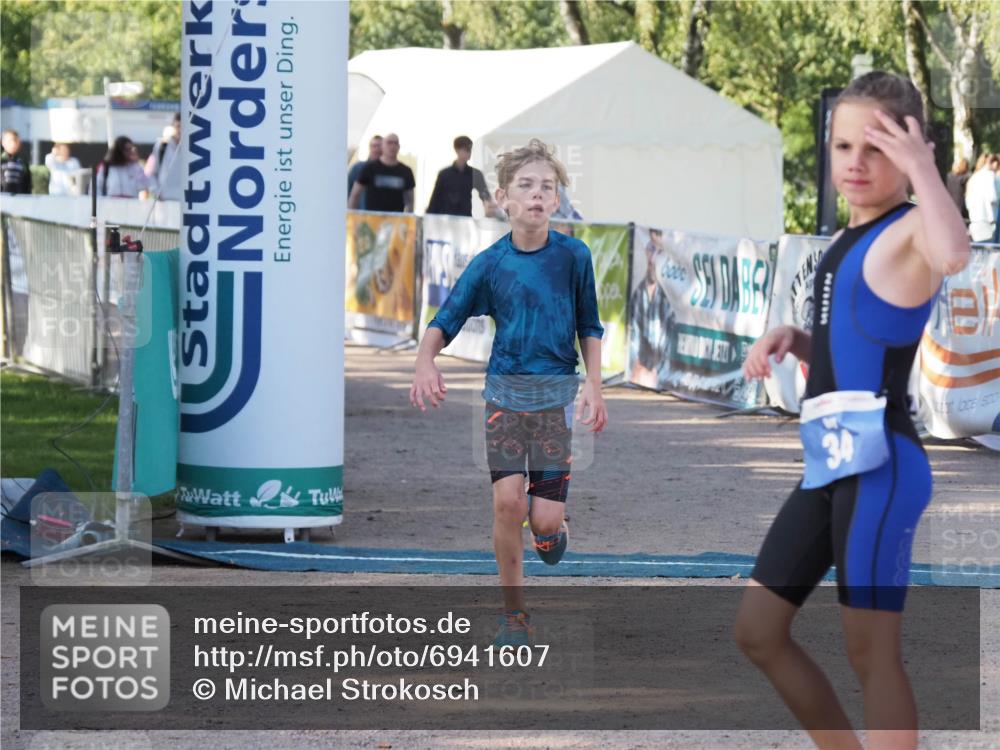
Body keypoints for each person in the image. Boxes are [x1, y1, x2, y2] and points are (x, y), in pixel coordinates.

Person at [737, 72, 969, 750]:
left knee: (871, 654)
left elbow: (954, 252)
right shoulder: (849, 237)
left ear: (911, 151)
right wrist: (797, 340)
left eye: (878, 149)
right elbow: (864, 340)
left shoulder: (911, 231)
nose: (856, 165)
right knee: (758, 630)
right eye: (843, 148)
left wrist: (925, 165)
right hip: (833, 462)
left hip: (882, 467)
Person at [409, 139, 607, 646]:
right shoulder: (490, 263)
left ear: (557, 200)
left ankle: (552, 528)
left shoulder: (574, 256)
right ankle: (514, 614)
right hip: (503, 400)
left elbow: (590, 324)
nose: (538, 195)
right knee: (506, 505)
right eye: (526, 186)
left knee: (541, 518)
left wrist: (594, 386)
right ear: (502, 198)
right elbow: (445, 319)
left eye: (547, 187)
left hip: (555, 403)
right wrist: (424, 361)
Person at [627, 229, 674, 389]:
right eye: (651, 249)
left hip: (657, 380)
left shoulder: (669, 300)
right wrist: (635, 368)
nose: (653, 258)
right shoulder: (638, 294)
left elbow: (668, 350)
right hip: (638, 377)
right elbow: (632, 338)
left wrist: (657, 373)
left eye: (659, 251)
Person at [425, 135, 499, 217]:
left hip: (465, 218)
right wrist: (428, 219)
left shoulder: (475, 174)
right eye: (466, 149)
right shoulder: (444, 174)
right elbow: (435, 199)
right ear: (457, 150)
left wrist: (489, 207)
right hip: (446, 219)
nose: (469, 153)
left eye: (470, 150)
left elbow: (485, 195)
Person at [348, 132, 414, 213]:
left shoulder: (406, 171)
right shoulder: (369, 168)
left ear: (399, 146)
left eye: (395, 143)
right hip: (371, 220)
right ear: (383, 146)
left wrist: (408, 220)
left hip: (396, 221)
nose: (392, 146)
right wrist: (352, 219)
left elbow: (410, 201)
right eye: (389, 143)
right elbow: (354, 195)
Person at [144, 112, 182, 201]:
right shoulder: (161, 146)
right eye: (178, 126)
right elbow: (150, 172)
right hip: (164, 201)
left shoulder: (193, 148)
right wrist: (157, 192)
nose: (181, 130)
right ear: (173, 126)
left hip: (186, 202)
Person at [965, 152, 999, 242]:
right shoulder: (990, 175)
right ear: (994, 163)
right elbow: (993, 197)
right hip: (987, 218)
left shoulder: (973, 177)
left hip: (974, 218)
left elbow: (967, 200)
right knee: (989, 251)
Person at [347, 134, 382, 210]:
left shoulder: (389, 171)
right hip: (361, 216)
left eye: (379, 146)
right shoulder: (358, 168)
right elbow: (348, 192)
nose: (376, 149)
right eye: (374, 146)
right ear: (369, 148)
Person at [1, 129, 32, 194]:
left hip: (19, 200)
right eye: (10, 141)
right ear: (3, 142)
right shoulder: (1, 161)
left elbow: (28, 184)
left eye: (16, 140)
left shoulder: (23, 163)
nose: (13, 143)